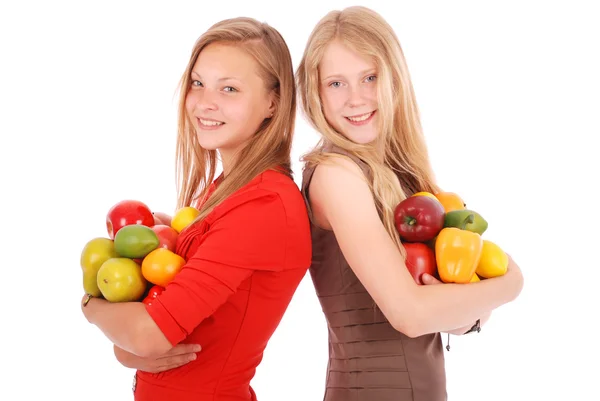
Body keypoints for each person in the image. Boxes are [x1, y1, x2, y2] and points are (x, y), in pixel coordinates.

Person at [295, 6, 524, 401]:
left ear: (394, 78)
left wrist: (458, 312)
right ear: (316, 93)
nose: (355, 98)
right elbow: (410, 315)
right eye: (336, 83)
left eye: (369, 77)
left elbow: (465, 311)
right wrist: (512, 283)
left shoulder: (402, 176)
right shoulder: (337, 174)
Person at [81, 17, 312, 401]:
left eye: (230, 89)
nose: (205, 102)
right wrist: (128, 348)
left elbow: (149, 335)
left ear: (273, 102)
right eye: (198, 83)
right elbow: (148, 338)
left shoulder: (264, 204)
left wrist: (90, 305)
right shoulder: (227, 190)